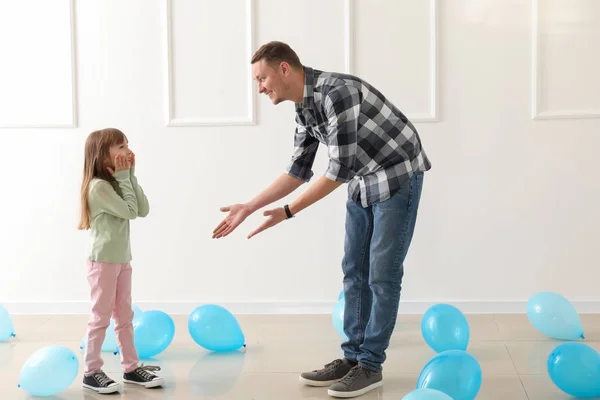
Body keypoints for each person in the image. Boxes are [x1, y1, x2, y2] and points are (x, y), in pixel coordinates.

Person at [213, 41, 431, 398]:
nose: (260, 87)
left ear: (285, 69)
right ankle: (352, 358)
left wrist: (287, 212)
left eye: (262, 78)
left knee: (382, 273)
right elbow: (298, 172)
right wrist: (249, 206)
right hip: (363, 177)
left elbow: (336, 173)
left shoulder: (336, 94)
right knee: (353, 268)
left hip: (396, 173)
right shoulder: (303, 109)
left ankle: (370, 365)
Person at [77, 128, 164, 394]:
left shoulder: (116, 181)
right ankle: (91, 372)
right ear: (103, 156)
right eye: (121, 147)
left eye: (127, 145)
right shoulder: (99, 187)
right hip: (103, 262)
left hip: (121, 260)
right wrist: (125, 177)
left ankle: (130, 367)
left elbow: (143, 209)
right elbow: (130, 212)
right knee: (100, 318)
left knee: (125, 316)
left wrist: (130, 177)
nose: (127, 150)